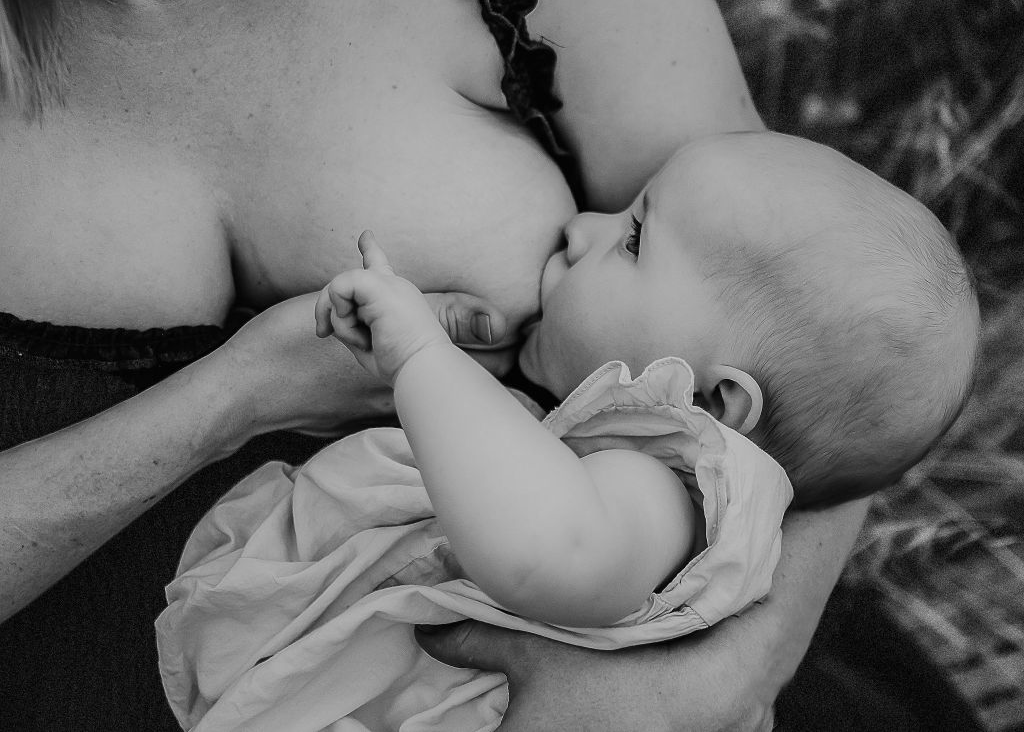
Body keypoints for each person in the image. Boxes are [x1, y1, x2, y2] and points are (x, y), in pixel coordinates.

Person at [0, 0, 878, 728]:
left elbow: (832, 336)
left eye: (631, 236)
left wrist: (709, 687)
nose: (587, 228)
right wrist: (234, 397)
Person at [156, 131, 978, 730]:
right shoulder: (636, 467)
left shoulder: (665, 494)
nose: (583, 226)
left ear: (718, 404)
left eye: (632, 237)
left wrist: (421, 357)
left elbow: (543, 548)